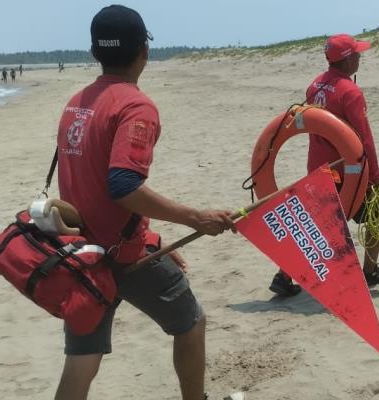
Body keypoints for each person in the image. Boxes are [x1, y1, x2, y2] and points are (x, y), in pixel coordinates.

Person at [52, 5, 235, 400]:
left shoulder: (77, 102)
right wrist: (195, 217)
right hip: (123, 257)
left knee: (82, 359)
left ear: (93, 51)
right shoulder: (136, 106)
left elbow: (93, 186)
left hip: (82, 253)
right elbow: (122, 186)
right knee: (191, 322)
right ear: (144, 50)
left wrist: (153, 235)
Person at [269, 34, 379, 297]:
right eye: (357, 54)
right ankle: (371, 271)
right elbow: (365, 139)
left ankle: (283, 276)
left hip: (318, 168)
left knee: (316, 223)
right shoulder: (350, 92)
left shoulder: (315, 85)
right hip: (346, 172)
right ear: (348, 59)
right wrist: (376, 176)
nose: (360, 57)